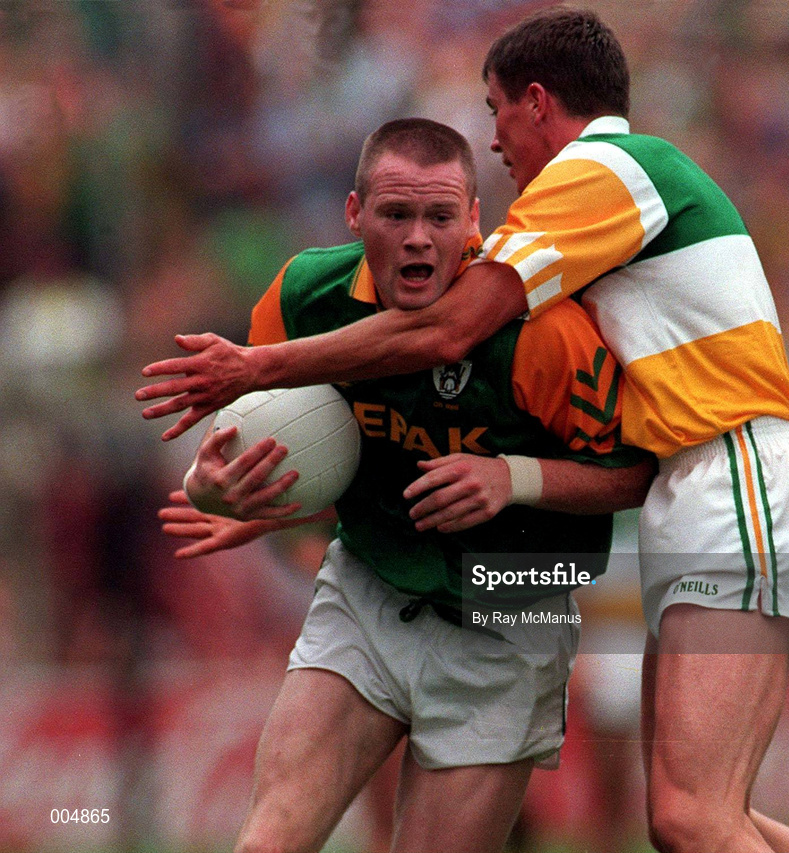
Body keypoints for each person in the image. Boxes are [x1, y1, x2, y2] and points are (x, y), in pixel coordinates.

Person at [136, 8, 789, 852]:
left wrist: (257, 368)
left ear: (536, 104)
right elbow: (376, 446)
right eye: (395, 214)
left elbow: (453, 333)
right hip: (666, 499)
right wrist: (262, 502)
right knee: (690, 815)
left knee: (694, 816)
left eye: (494, 112)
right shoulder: (320, 291)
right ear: (353, 213)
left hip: (706, 491)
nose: (497, 138)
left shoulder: (605, 175)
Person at [162, 116, 653, 853]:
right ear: (356, 214)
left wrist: (511, 477)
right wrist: (228, 491)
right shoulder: (306, 298)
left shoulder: (540, 331)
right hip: (368, 590)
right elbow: (304, 446)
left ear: (474, 221)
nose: (419, 236)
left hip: (511, 614)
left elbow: (634, 474)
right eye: (396, 214)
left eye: (440, 216)